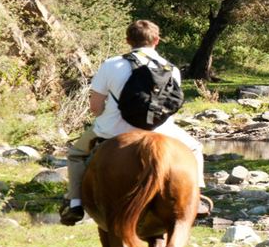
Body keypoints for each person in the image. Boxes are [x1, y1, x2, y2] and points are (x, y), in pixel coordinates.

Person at [62, 20, 206, 225]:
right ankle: (196, 200)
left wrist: (106, 116)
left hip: (113, 130)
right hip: (161, 131)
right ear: (156, 40)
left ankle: (75, 203)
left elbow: (95, 107)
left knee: (76, 154)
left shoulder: (111, 64)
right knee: (195, 149)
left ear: (128, 40)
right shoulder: (171, 69)